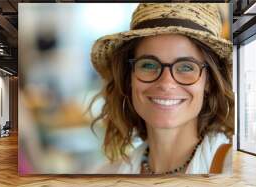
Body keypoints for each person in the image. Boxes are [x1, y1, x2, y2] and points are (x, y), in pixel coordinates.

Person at [90, 3, 233, 174]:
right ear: (129, 78)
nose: (166, 84)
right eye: (149, 65)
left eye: (186, 67)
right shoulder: (106, 176)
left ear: (209, 82)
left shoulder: (235, 170)